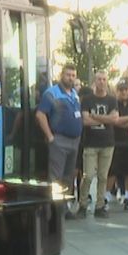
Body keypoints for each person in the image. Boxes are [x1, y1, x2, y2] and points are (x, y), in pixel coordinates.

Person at [36, 63, 83, 219]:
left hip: (74, 141)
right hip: (59, 141)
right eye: (68, 75)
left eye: (73, 75)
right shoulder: (52, 93)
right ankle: (54, 211)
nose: (70, 78)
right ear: (61, 75)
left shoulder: (74, 93)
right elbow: (40, 115)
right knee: (56, 178)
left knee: (68, 177)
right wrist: (50, 137)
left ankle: (64, 208)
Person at [80, 70, 119, 218]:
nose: (101, 82)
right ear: (94, 81)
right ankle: (82, 204)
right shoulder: (87, 100)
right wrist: (106, 118)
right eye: (99, 79)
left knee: (103, 177)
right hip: (90, 143)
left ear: (107, 81)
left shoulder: (112, 100)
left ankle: (100, 206)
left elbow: (115, 119)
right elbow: (85, 121)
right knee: (88, 175)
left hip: (107, 143)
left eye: (104, 79)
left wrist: (95, 116)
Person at [110, 79, 128, 211]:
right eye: (121, 90)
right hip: (116, 142)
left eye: (126, 89)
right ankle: (106, 197)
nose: (123, 92)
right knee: (112, 171)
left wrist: (125, 120)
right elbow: (114, 121)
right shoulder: (113, 104)